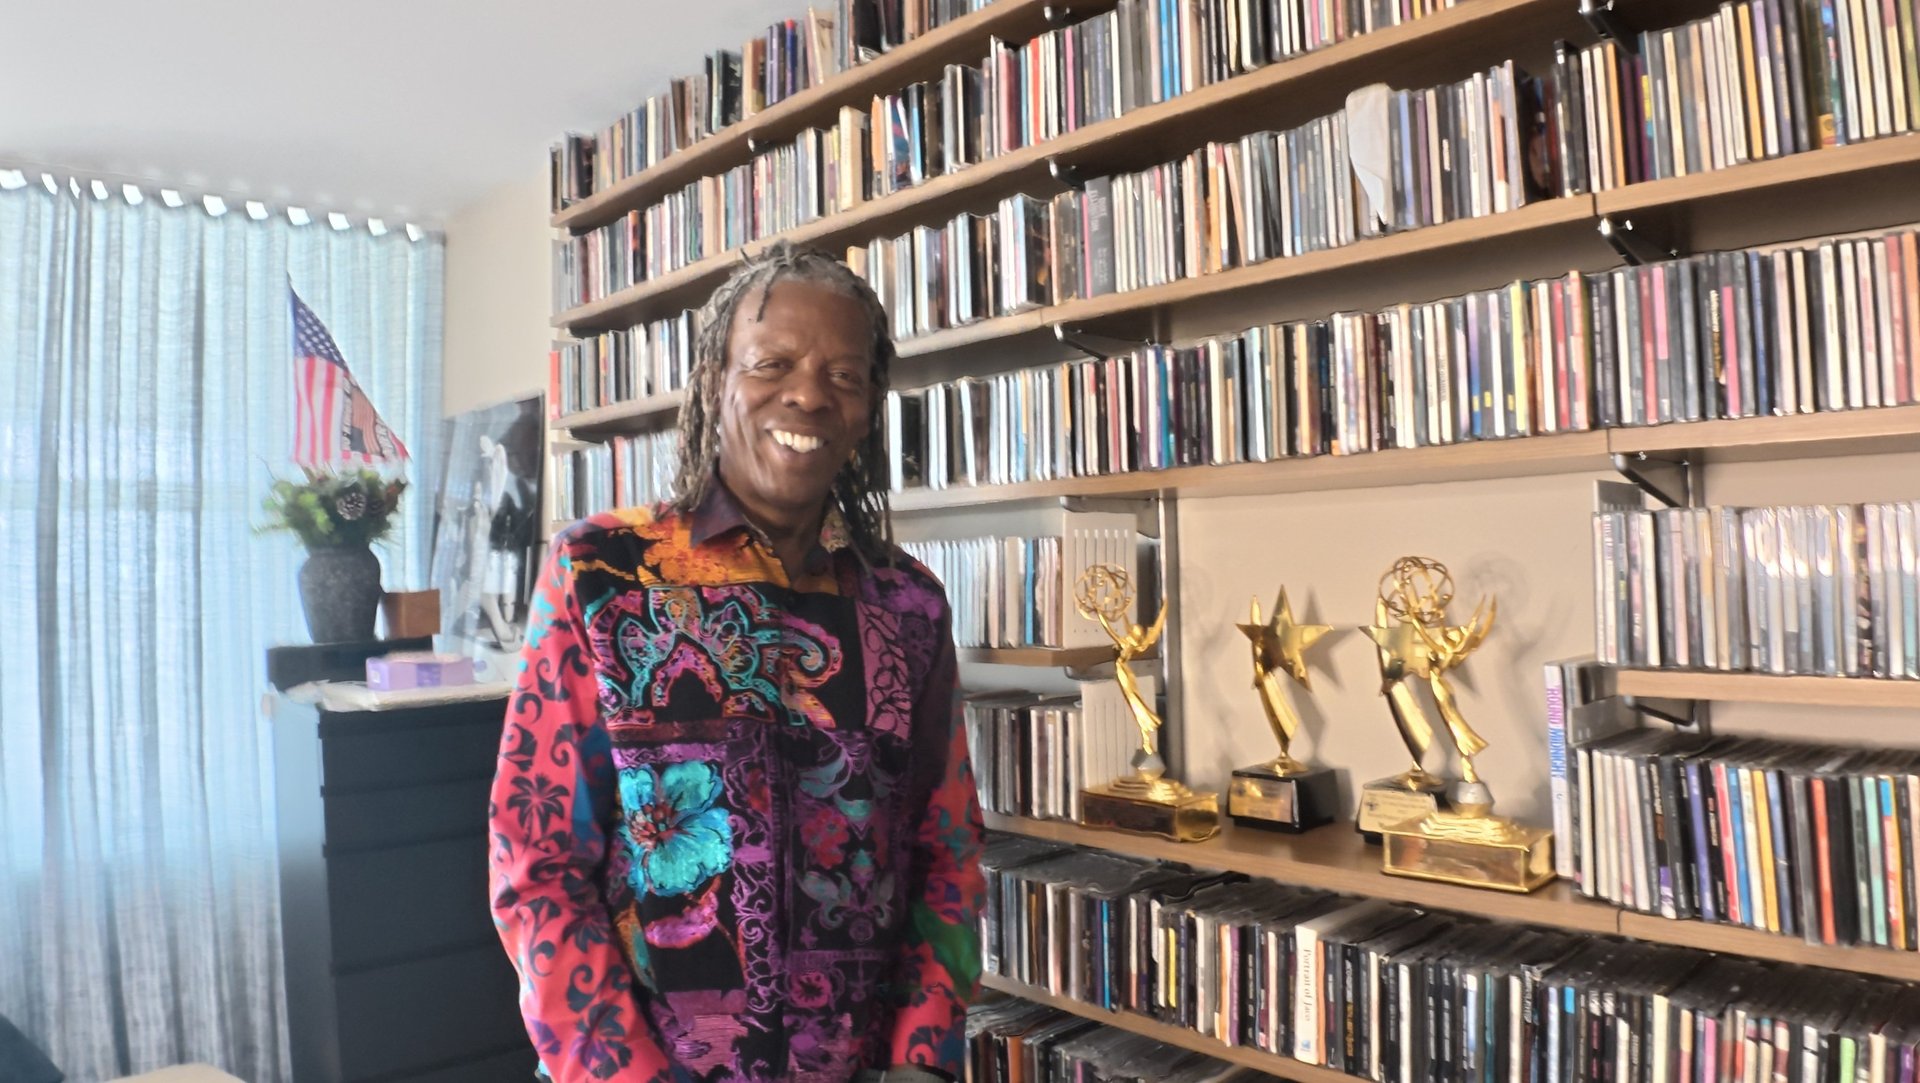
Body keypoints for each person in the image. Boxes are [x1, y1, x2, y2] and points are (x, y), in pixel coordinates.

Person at [487, 242, 985, 1083]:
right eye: (772, 363)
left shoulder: (909, 605)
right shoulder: (599, 574)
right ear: (717, 381)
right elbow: (536, 859)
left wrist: (920, 1058)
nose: (809, 395)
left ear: (868, 410)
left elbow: (947, 848)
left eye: (844, 375)